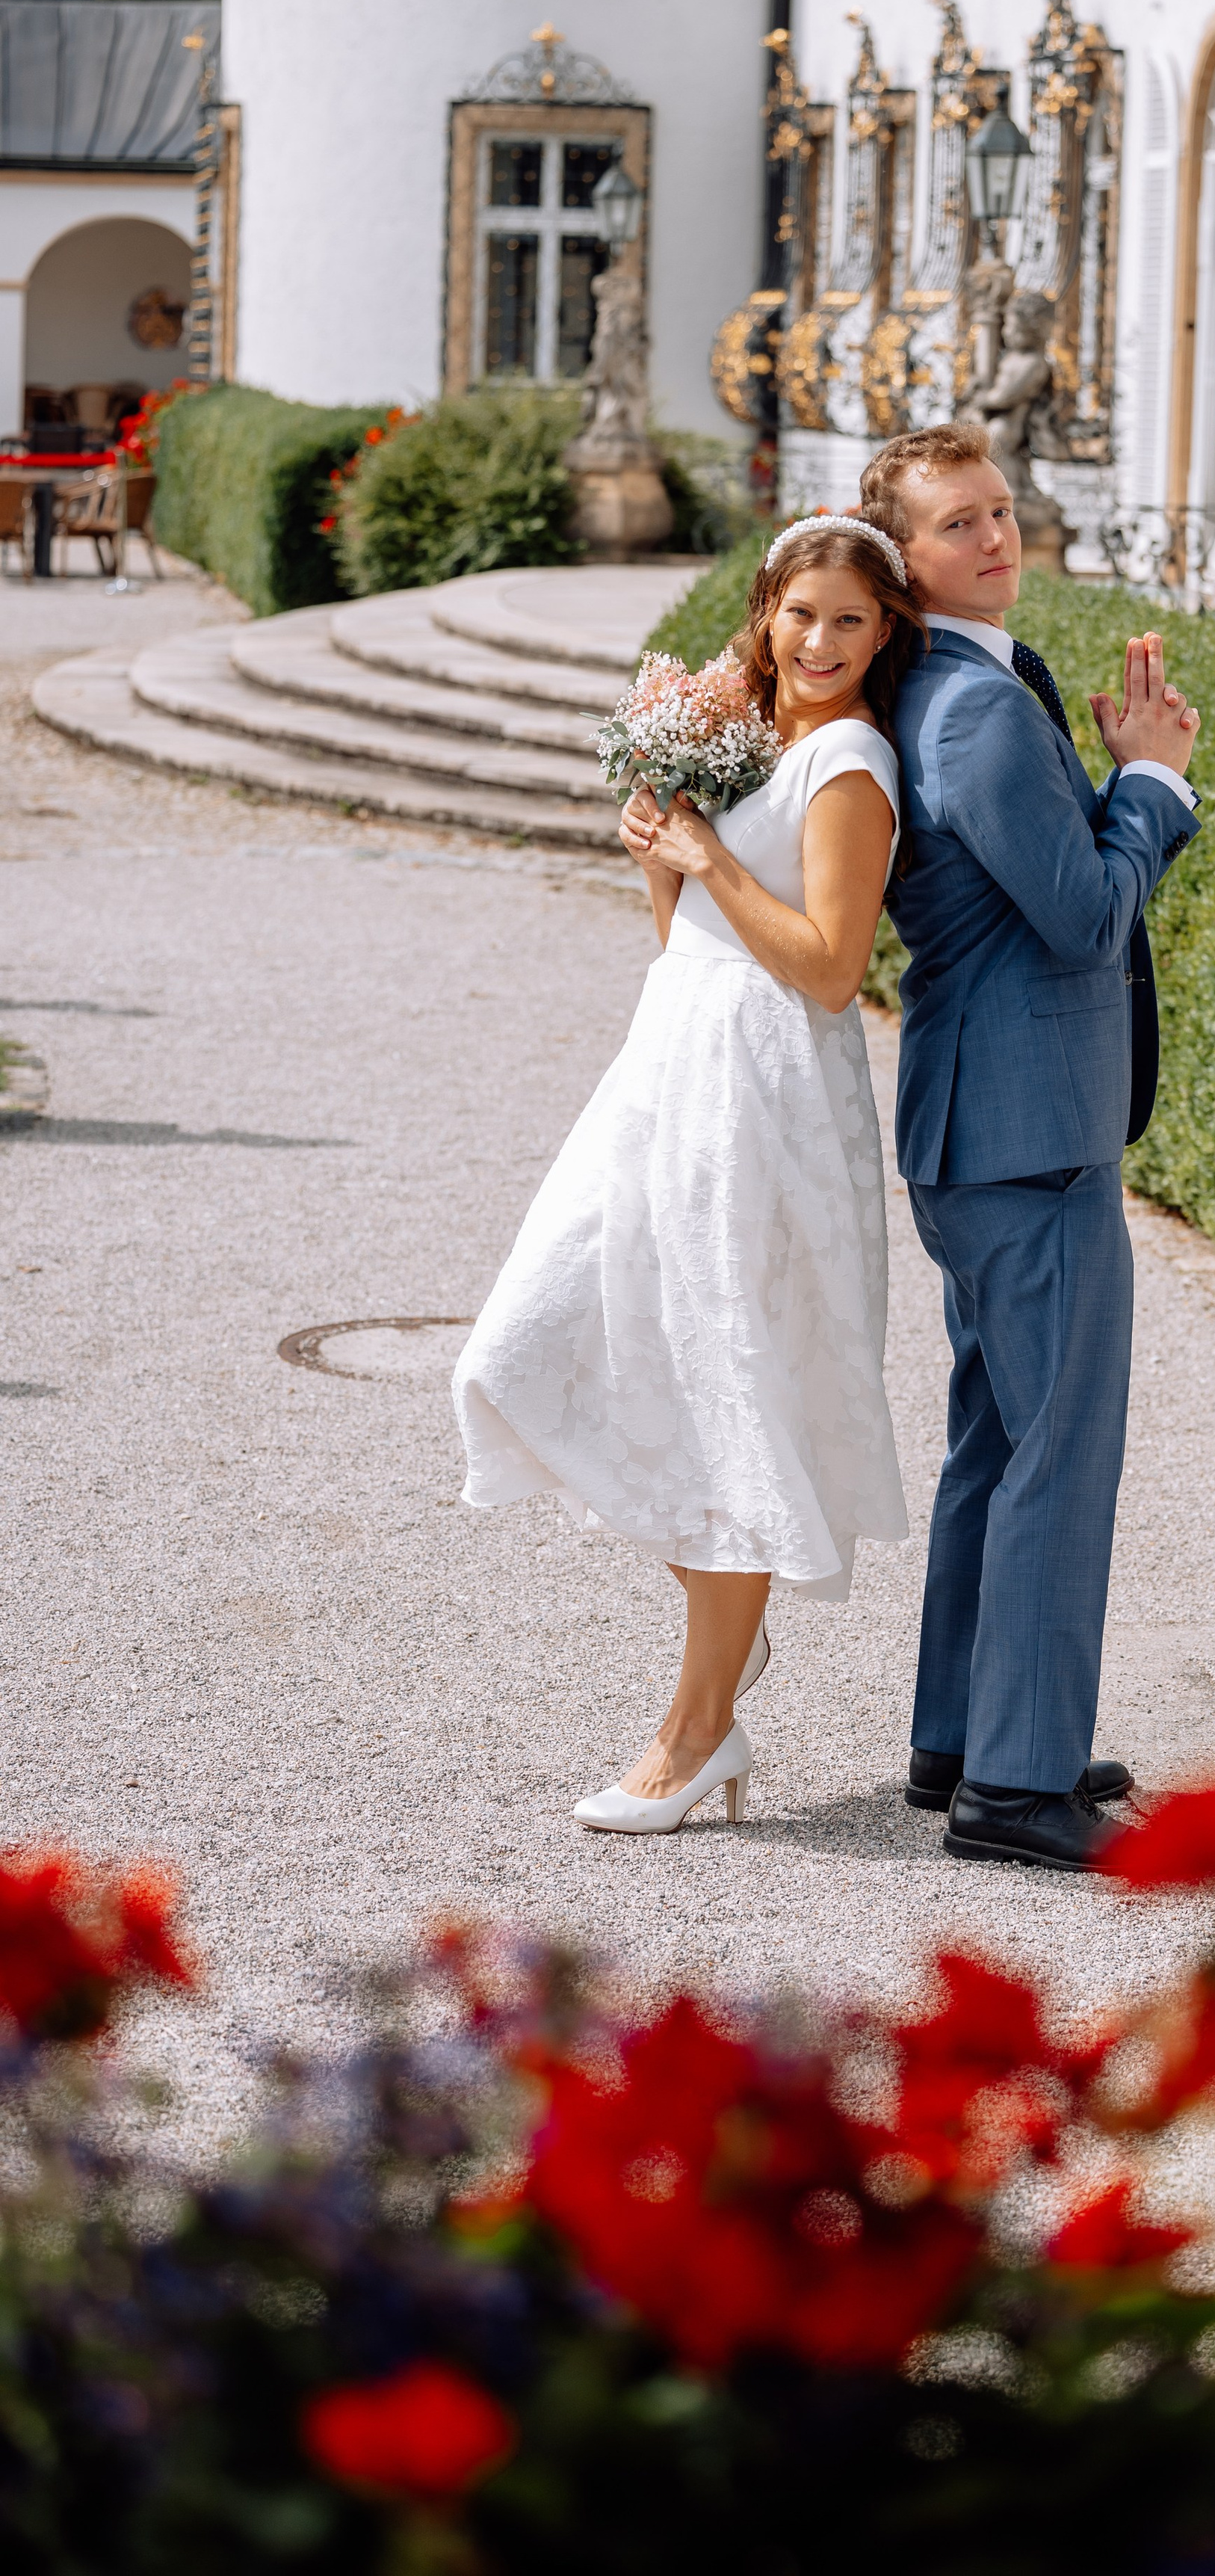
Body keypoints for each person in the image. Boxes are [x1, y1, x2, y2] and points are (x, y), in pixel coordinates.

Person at [452, 520, 915, 1834]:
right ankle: (730, 1632)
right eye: (799, 615)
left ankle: (698, 1728)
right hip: (669, 1066)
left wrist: (709, 855)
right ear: (764, 611)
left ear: (884, 637)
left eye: (849, 623)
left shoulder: (849, 762)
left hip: (769, 1092)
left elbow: (832, 970)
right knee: (525, 1350)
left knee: (733, 1382)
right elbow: (685, 940)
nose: (817, 644)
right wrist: (665, 860)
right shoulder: (737, 734)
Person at [859, 419, 1200, 1873]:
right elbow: (1082, 915)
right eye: (955, 524)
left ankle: (968, 1737)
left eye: (997, 510)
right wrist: (1154, 789)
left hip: (987, 1121)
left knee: (995, 1442)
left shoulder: (961, 683)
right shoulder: (971, 710)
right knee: (1058, 1449)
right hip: (1021, 1132)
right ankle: (1015, 1787)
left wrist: (1117, 773)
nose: (993, 537)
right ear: (902, 560)